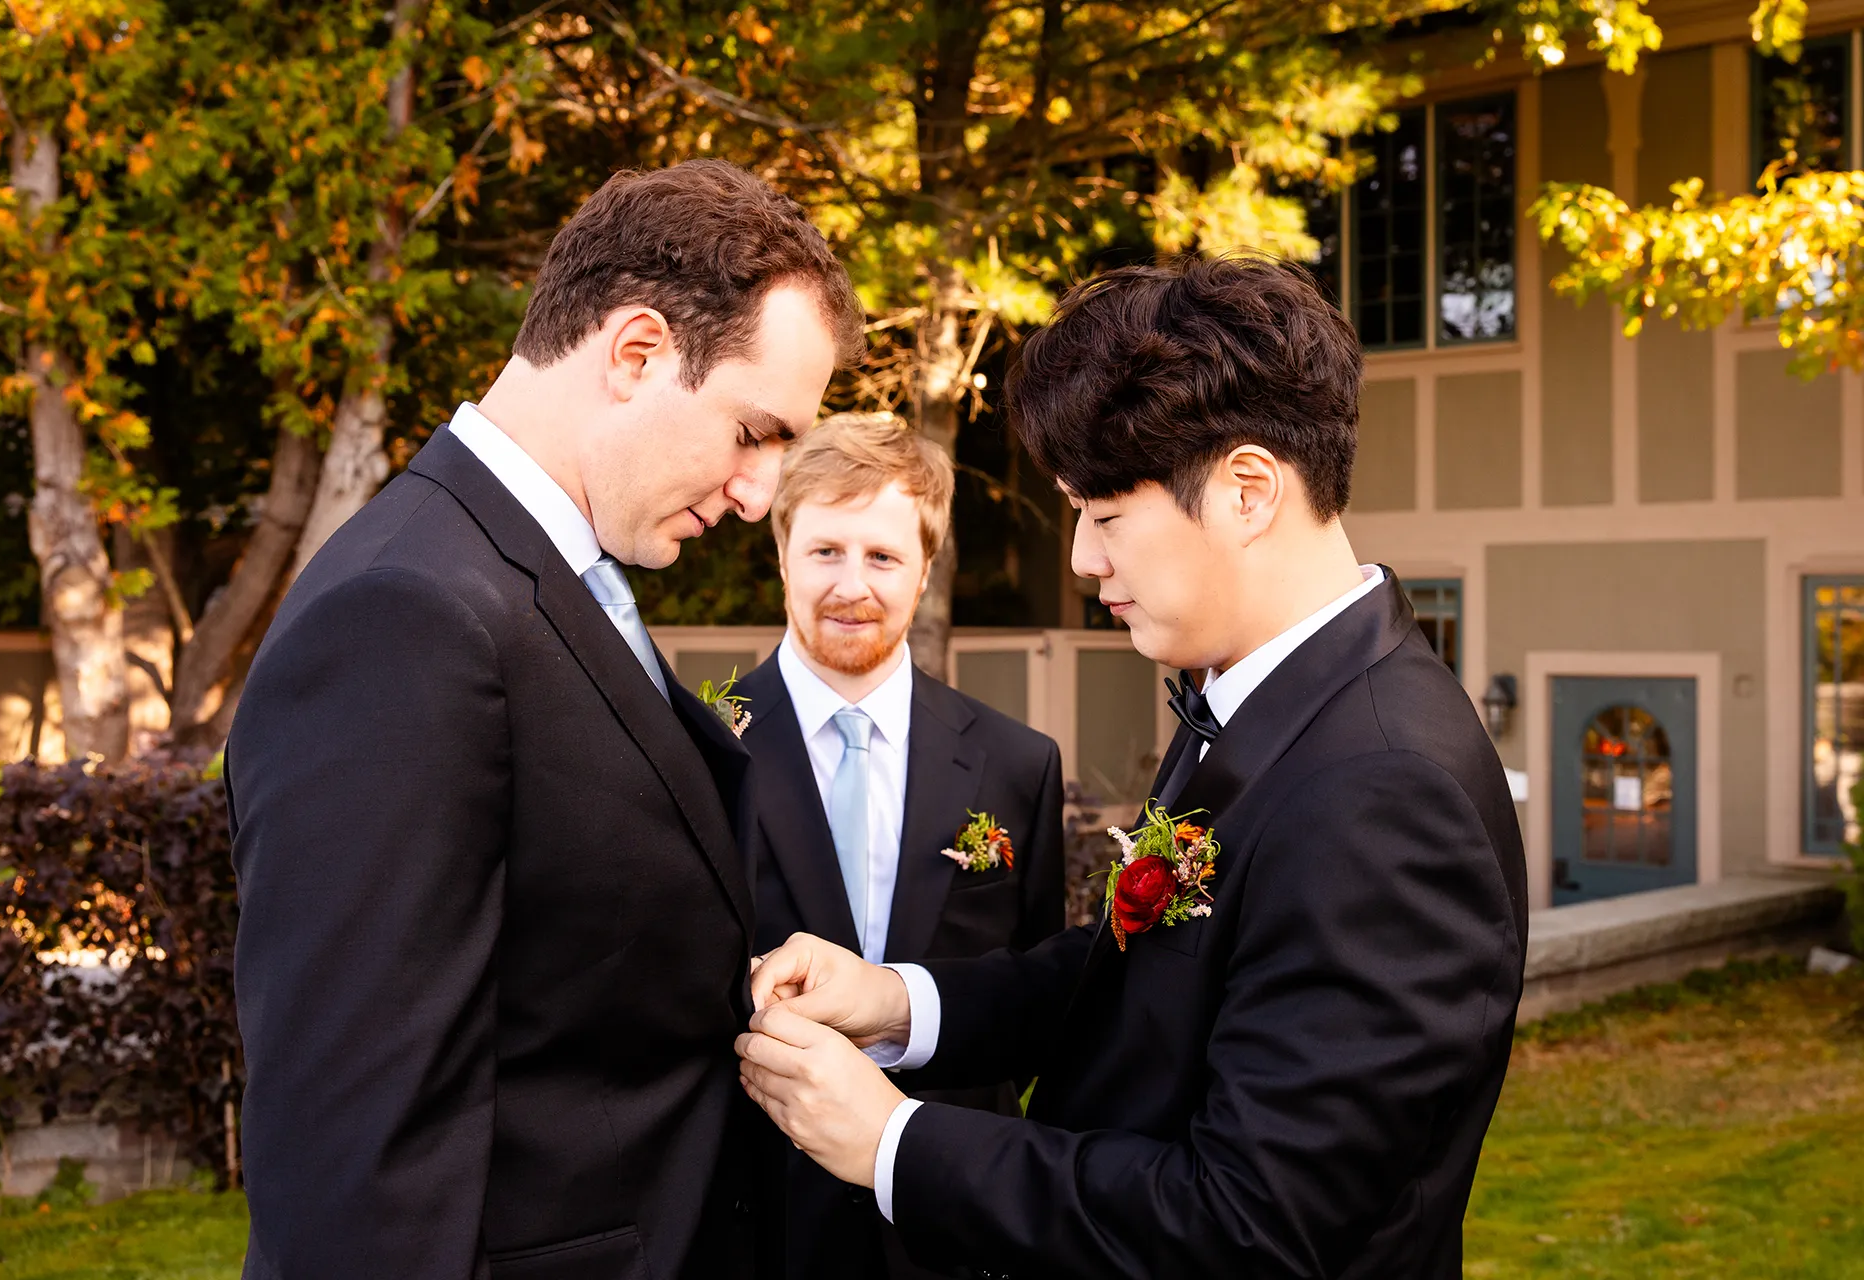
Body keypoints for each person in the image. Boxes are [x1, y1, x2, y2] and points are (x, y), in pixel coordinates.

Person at [737, 254, 1528, 1279]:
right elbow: (1143, 976)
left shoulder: (1382, 787)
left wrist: (891, 1139)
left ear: (1248, 491)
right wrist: (896, 999)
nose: (1081, 559)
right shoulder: (1261, 705)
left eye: (1105, 515)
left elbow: (1247, 1225)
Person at [226, 159, 864, 1280]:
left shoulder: (553, 578)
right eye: (754, 432)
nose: (760, 492)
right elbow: (354, 1156)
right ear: (636, 353)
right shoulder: (403, 615)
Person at [734, 415, 1066, 1279]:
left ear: (924, 571)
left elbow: (1038, 1006)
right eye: (825, 552)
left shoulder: (1019, 765)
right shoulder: (700, 751)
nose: (853, 585)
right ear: (781, 553)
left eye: (883, 557)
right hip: (755, 1220)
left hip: (950, 1228)